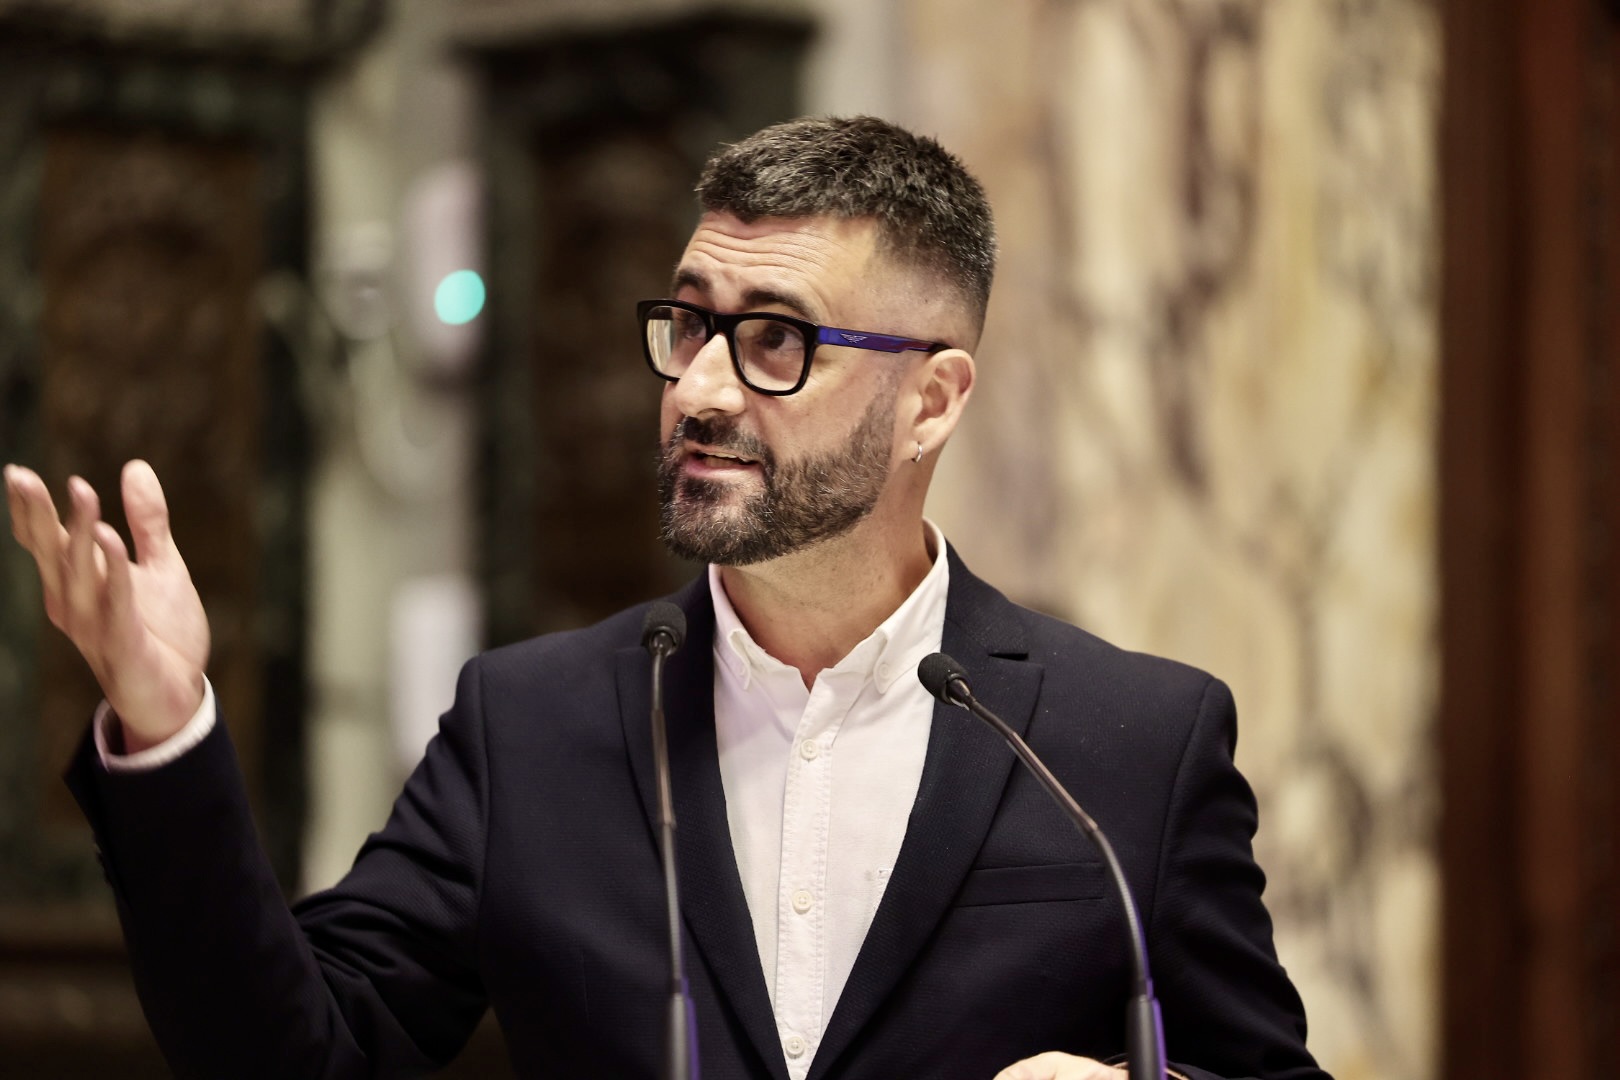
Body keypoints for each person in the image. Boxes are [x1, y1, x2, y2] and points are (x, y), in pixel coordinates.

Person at [4, 116, 1327, 1080]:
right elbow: (296, 1057)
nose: (697, 389)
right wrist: (165, 729)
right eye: (689, 325)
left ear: (931, 401)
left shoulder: (1126, 748)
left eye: (775, 341)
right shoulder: (531, 728)